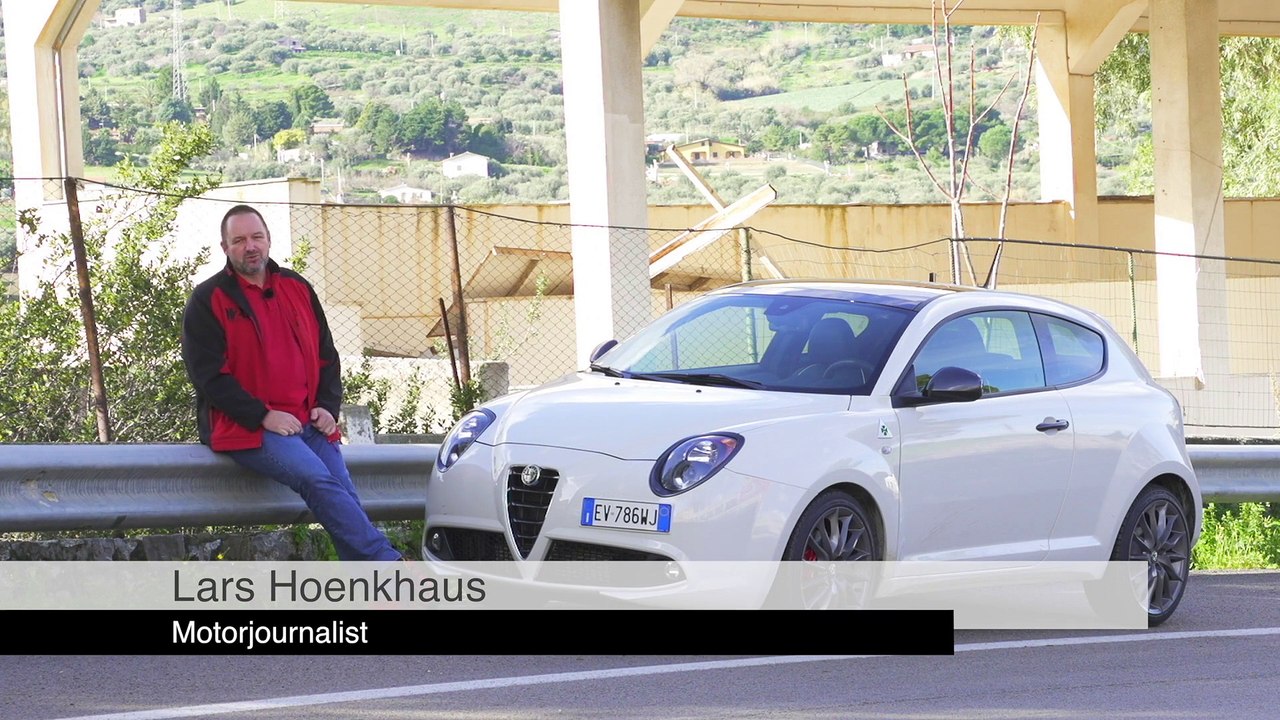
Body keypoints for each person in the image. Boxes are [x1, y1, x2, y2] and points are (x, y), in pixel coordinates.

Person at [181, 204, 403, 561]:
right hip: (247, 428)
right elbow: (207, 375)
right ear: (224, 248)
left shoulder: (297, 287)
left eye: (256, 237)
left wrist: (327, 407)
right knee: (318, 481)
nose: (250, 246)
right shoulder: (208, 300)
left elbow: (327, 356)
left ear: (268, 240)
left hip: (307, 422)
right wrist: (263, 416)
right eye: (239, 240)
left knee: (343, 493)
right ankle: (389, 566)